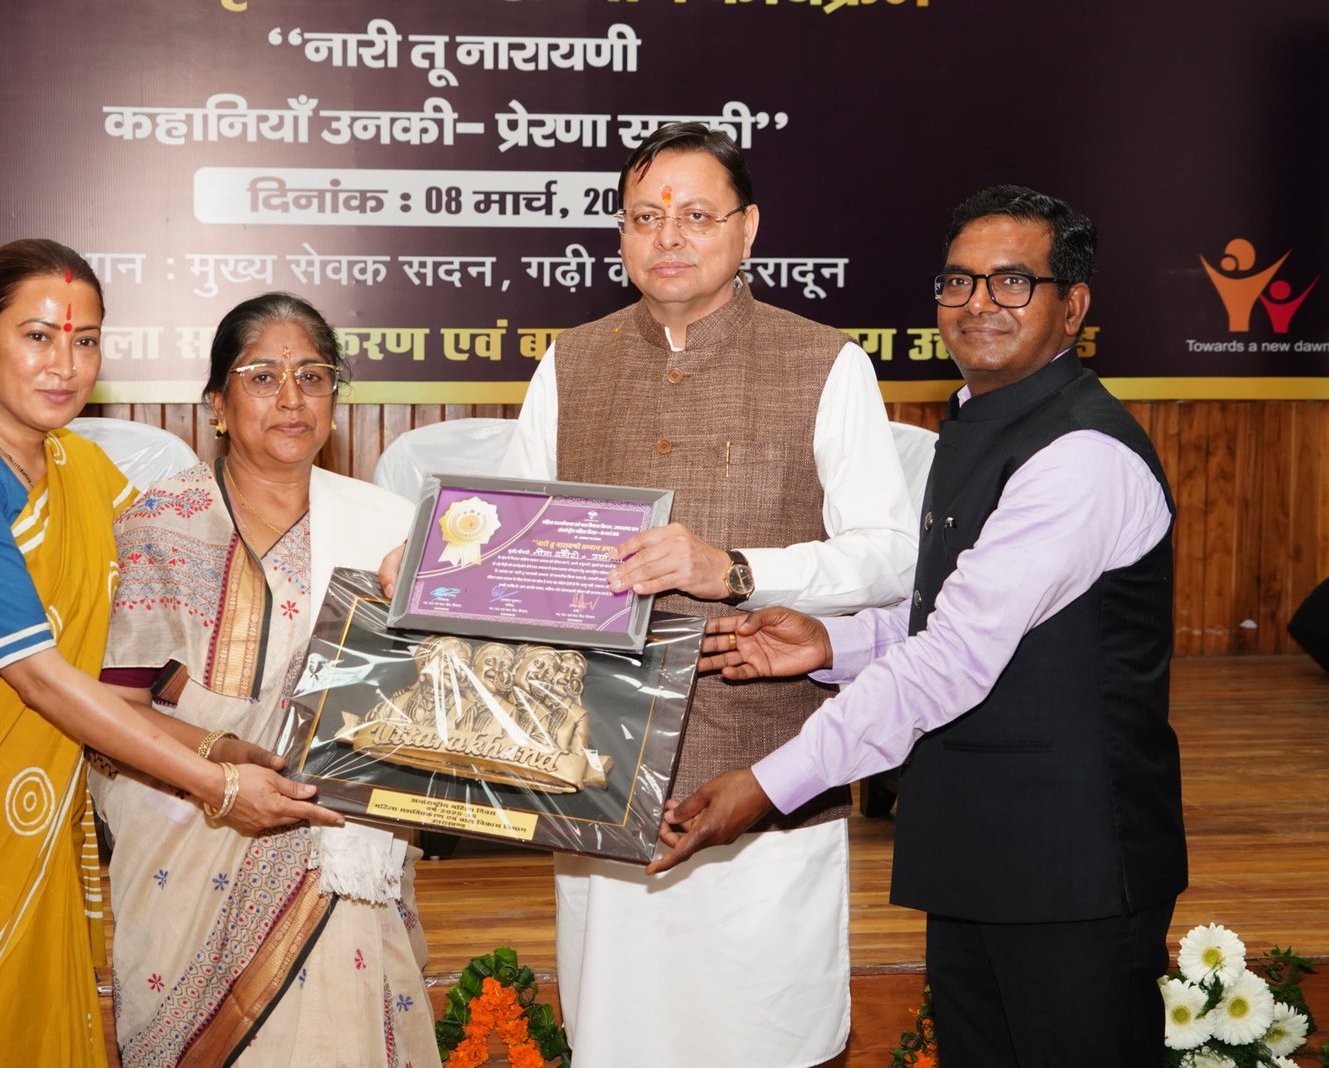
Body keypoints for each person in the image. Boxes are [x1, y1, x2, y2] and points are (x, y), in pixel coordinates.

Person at [382, 122, 916, 1066]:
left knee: (767, 1033)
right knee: (619, 1031)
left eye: (697, 216)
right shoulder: (571, 362)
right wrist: (430, 564)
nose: (669, 237)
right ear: (621, 235)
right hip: (597, 771)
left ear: (748, 229)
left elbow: (892, 555)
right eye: (645, 218)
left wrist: (736, 571)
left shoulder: (826, 364)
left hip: (765, 770)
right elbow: (512, 542)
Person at [654, 185, 1187, 1067]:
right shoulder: (982, 422)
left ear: (1073, 308)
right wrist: (833, 643)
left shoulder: (1081, 457)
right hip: (979, 850)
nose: (978, 304)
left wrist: (769, 783)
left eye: (1013, 282)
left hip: (1072, 865)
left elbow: (953, 658)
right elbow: (958, 612)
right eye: (957, 282)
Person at [0, 242, 340, 1067]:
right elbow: (41, 678)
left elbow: (168, 597)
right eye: (38, 336)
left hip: (34, 805)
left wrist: (384, 559)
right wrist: (218, 784)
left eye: (84, 340)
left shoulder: (83, 470)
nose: (64, 365)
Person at [90, 293, 439, 1068]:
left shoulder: (388, 528)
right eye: (262, 377)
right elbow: (117, 708)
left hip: (344, 834)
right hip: (191, 827)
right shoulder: (162, 525)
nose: (291, 399)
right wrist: (221, 760)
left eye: (312, 377)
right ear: (217, 405)